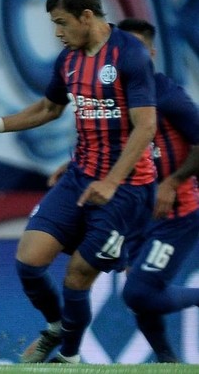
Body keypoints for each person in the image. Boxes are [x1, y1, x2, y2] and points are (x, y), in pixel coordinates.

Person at [0, 0, 157, 363]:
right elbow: (49, 108)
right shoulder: (68, 60)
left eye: (61, 23)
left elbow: (146, 125)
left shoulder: (129, 54)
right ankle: (56, 326)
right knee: (29, 262)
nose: (57, 33)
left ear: (86, 16)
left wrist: (112, 181)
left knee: (77, 276)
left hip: (126, 189)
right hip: (80, 177)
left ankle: (68, 357)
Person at [115, 18, 199, 363]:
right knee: (140, 295)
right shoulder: (112, 99)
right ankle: (167, 362)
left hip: (175, 214)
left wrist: (173, 182)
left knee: (137, 293)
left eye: (136, 49)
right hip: (136, 215)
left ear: (150, 53)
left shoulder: (167, 95)